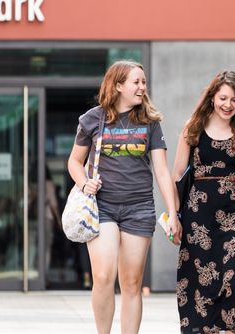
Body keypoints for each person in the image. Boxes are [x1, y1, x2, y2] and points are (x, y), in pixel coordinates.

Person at [67, 60, 182, 334]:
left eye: (144, 82)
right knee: (104, 276)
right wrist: (85, 184)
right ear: (118, 85)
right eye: (136, 82)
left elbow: (162, 172)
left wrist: (173, 213)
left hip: (139, 208)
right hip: (102, 207)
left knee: (131, 283)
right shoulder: (93, 119)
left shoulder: (149, 122)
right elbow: (73, 161)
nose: (142, 87)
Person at [172, 70, 235, 334]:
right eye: (223, 98)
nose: (228, 105)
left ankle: (228, 329)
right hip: (197, 217)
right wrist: (173, 218)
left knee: (233, 281)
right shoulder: (194, 127)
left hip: (234, 215)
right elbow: (177, 175)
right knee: (198, 280)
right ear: (212, 97)